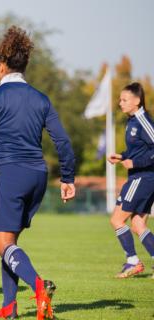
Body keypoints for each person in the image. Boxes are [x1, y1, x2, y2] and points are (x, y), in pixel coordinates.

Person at [0, 26, 76, 320]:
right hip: (37, 175)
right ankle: (9, 308)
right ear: (24, 64)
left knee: (1, 243)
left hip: (9, 173)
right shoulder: (41, 98)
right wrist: (67, 178)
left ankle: (39, 287)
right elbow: (62, 140)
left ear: (1, 63)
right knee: (10, 244)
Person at [108, 82, 154, 279]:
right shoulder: (132, 121)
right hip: (140, 177)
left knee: (116, 219)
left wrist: (135, 162)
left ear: (137, 101)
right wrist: (122, 156)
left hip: (143, 177)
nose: (120, 103)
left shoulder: (143, 120)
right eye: (120, 99)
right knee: (137, 225)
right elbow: (138, 150)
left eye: (124, 99)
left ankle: (133, 261)